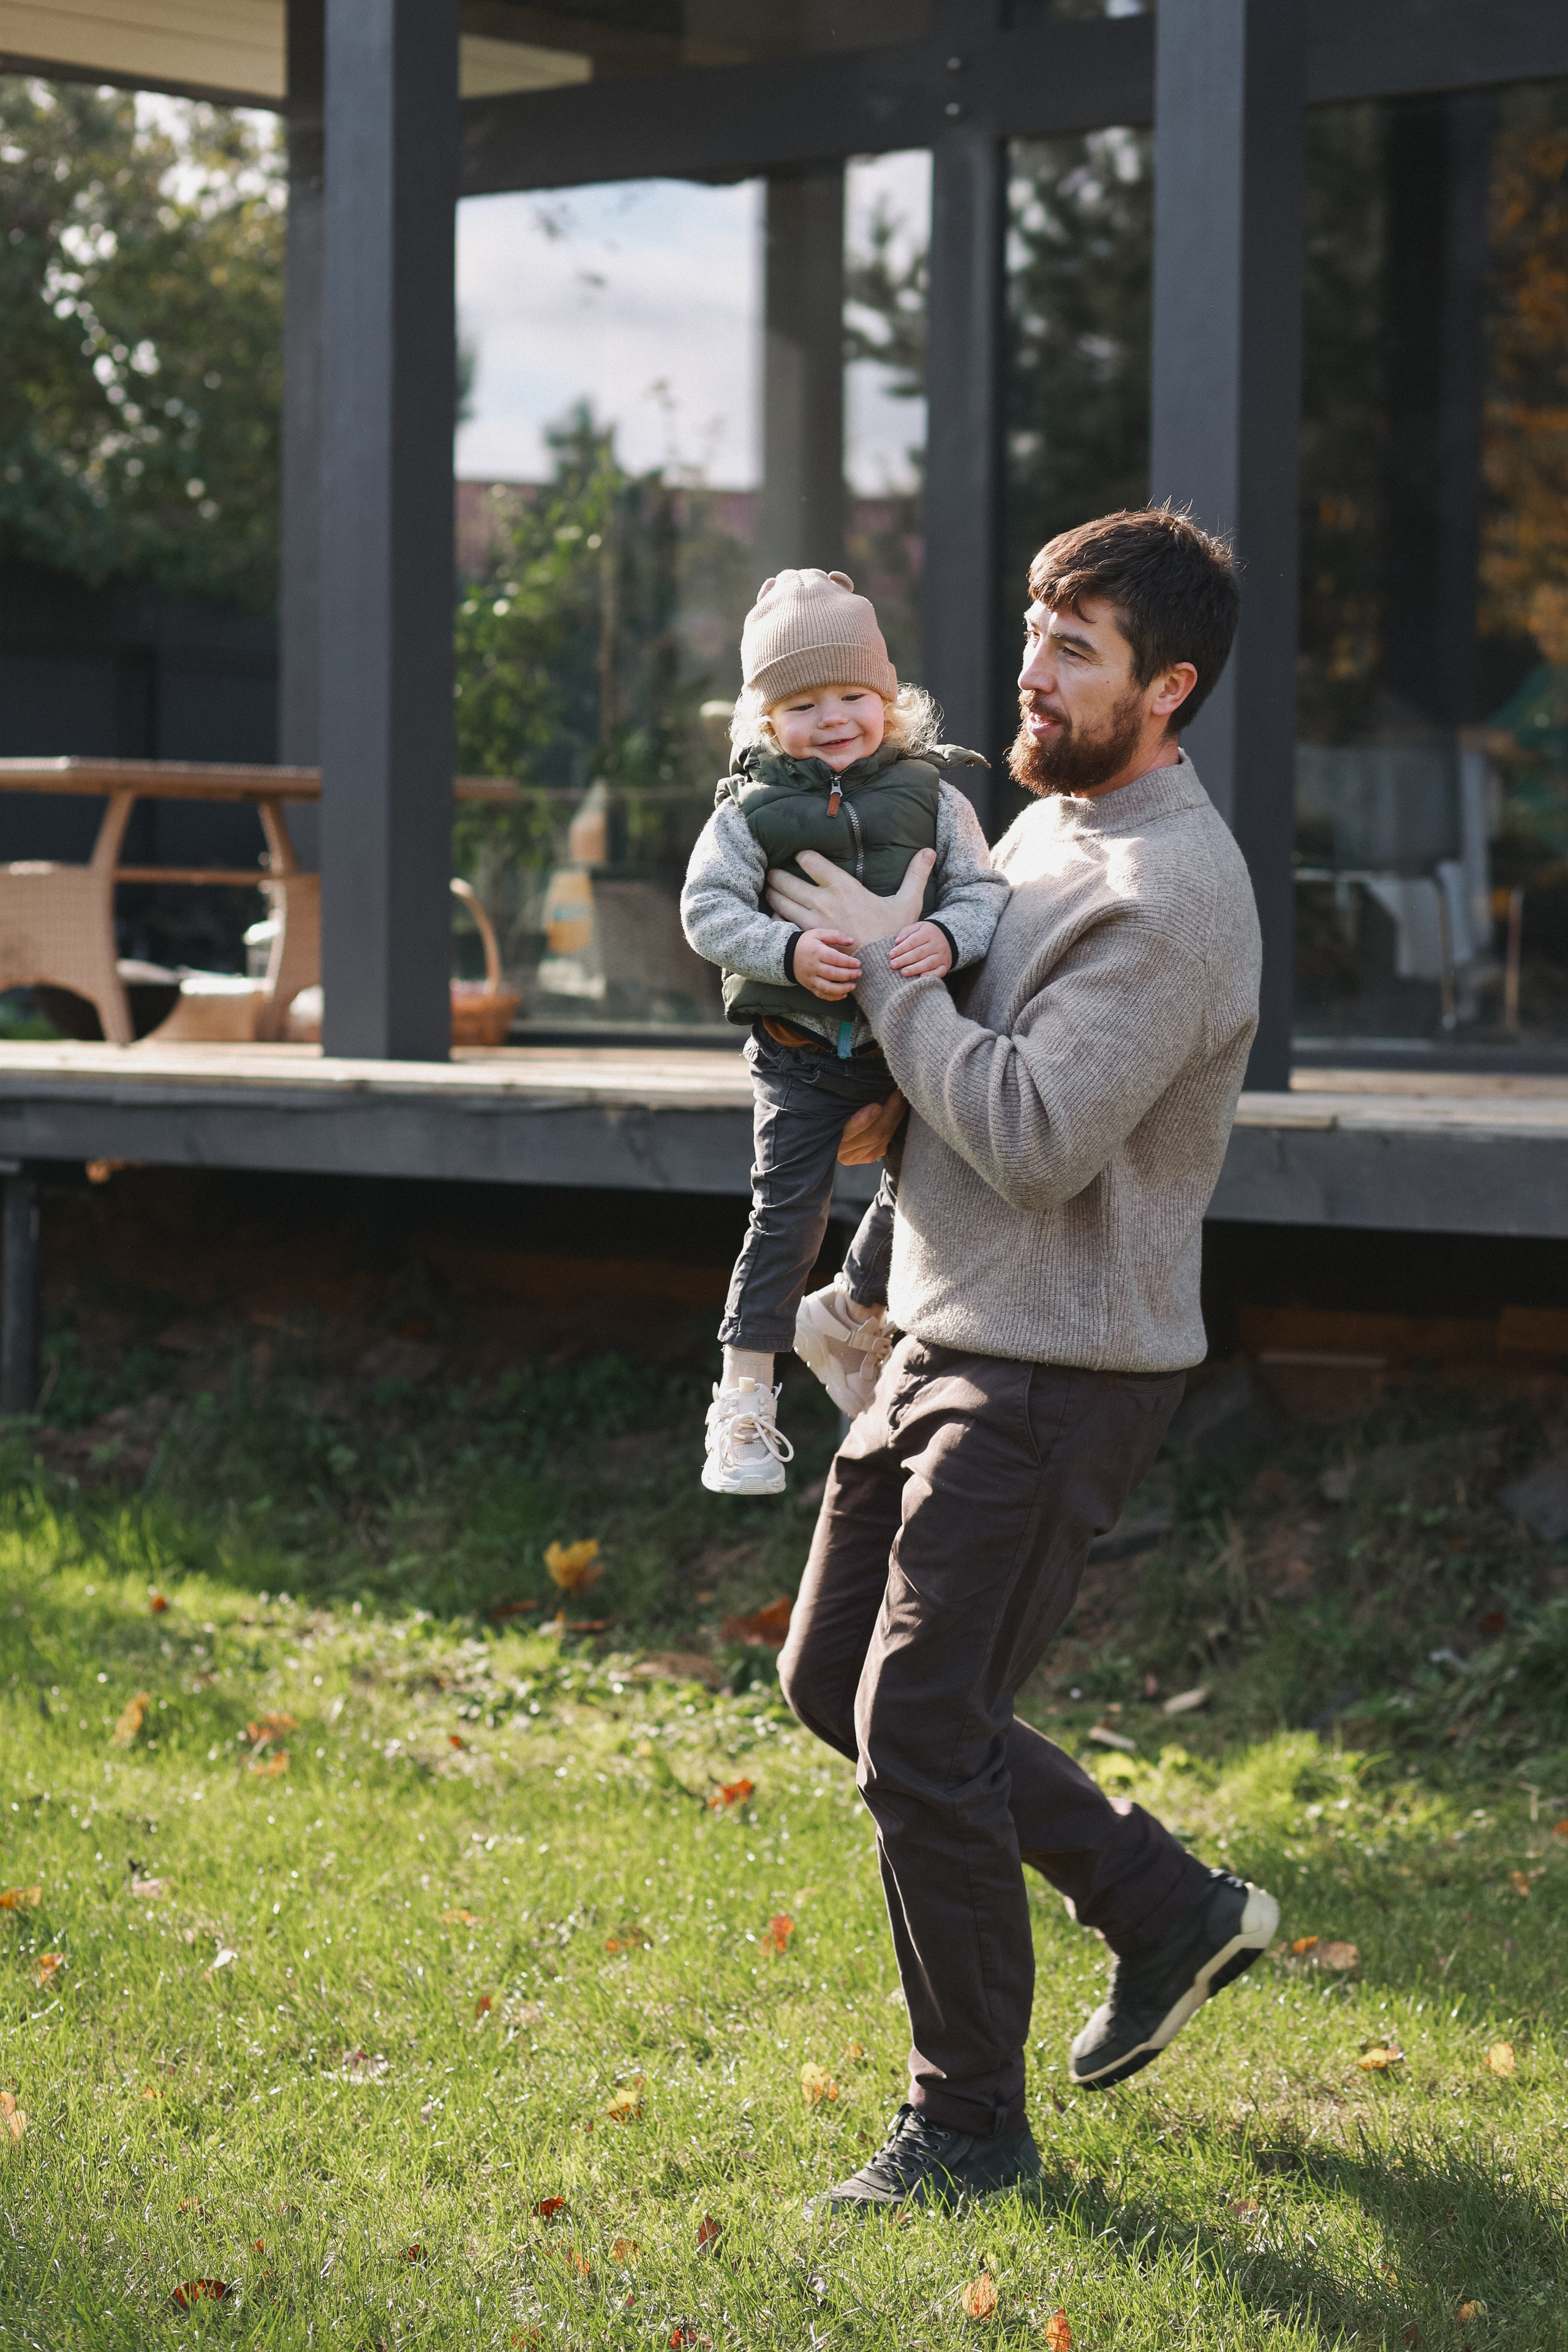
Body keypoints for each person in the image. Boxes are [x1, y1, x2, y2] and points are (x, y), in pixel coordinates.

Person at [763, 507, 1279, 2213]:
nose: (1035, 675)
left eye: (1081, 651)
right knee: (837, 1684)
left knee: (921, 1726)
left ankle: (968, 2127)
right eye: (1036, 635)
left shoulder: (1170, 896)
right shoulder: (1035, 833)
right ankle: (1167, 1907)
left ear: (1171, 686)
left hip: (1064, 1365)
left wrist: (899, 993)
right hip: (943, 1329)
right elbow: (942, 1072)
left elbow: (1042, 1133)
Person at [680, 567, 1008, 1496]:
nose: (833, 719)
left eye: (853, 696)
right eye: (803, 703)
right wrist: (786, 951)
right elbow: (707, 910)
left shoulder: (935, 796)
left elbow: (984, 892)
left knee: (939, 1173)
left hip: (908, 1043)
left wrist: (944, 935)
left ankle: (856, 1306)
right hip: (801, 1058)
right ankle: (744, 1400)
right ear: (765, 720)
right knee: (785, 1216)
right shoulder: (746, 811)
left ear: (889, 697)